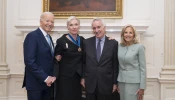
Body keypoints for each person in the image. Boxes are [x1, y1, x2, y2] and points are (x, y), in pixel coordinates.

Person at [81, 18, 119, 100]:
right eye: (94, 28)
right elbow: (83, 62)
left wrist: (115, 83)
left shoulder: (113, 44)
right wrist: (83, 77)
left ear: (104, 28)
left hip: (106, 84)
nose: (96, 30)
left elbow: (115, 65)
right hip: (90, 83)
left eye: (98, 27)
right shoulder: (86, 43)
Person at [22, 12, 56, 100]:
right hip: (35, 85)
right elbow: (29, 61)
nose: (50, 24)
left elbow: (47, 60)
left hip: (48, 84)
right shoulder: (32, 36)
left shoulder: (49, 38)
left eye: (52, 22)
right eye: (47, 21)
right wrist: (45, 78)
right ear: (41, 22)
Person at [54, 16, 85, 100]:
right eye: (71, 25)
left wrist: (107, 39)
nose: (74, 27)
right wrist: (56, 58)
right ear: (67, 27)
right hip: (65, 77)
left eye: (76, 24)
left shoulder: (82, 40)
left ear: (79, 26)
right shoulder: (61, 41)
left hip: (77, 76)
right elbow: (55, 58)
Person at [117, 24, 146, 100]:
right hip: (121, 81)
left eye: (130, 32)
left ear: (134, 35)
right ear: (123, 34)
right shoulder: (119, 46)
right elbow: (118, 65)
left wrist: (142, 87)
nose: (128, 35)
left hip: (134, 83)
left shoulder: (139, 47)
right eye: (126, 32)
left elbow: (143, 69)